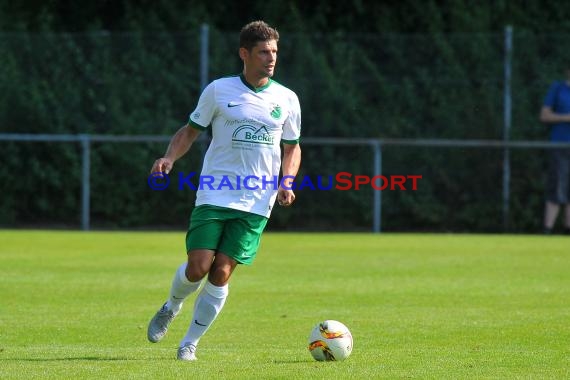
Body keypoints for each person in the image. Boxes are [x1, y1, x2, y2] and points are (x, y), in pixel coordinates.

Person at [146, 20, 302, 360]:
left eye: (274, 51)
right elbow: (190, 131)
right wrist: (169, 157)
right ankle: (172, 305)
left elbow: (292, 148)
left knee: (222, 271)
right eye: (263, 51)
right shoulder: (219, 90)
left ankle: (190, 343)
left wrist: (286, 182)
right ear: (244, 53)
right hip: (216, 190)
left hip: (257, 200)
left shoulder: (287, 98)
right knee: (199, 265)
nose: (271, 58)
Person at [539, 70, 570, 235]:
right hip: (560, 145)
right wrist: (566, 118)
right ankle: (548, 229)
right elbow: (544, 115)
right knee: (557, 186)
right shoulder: (558, 88)